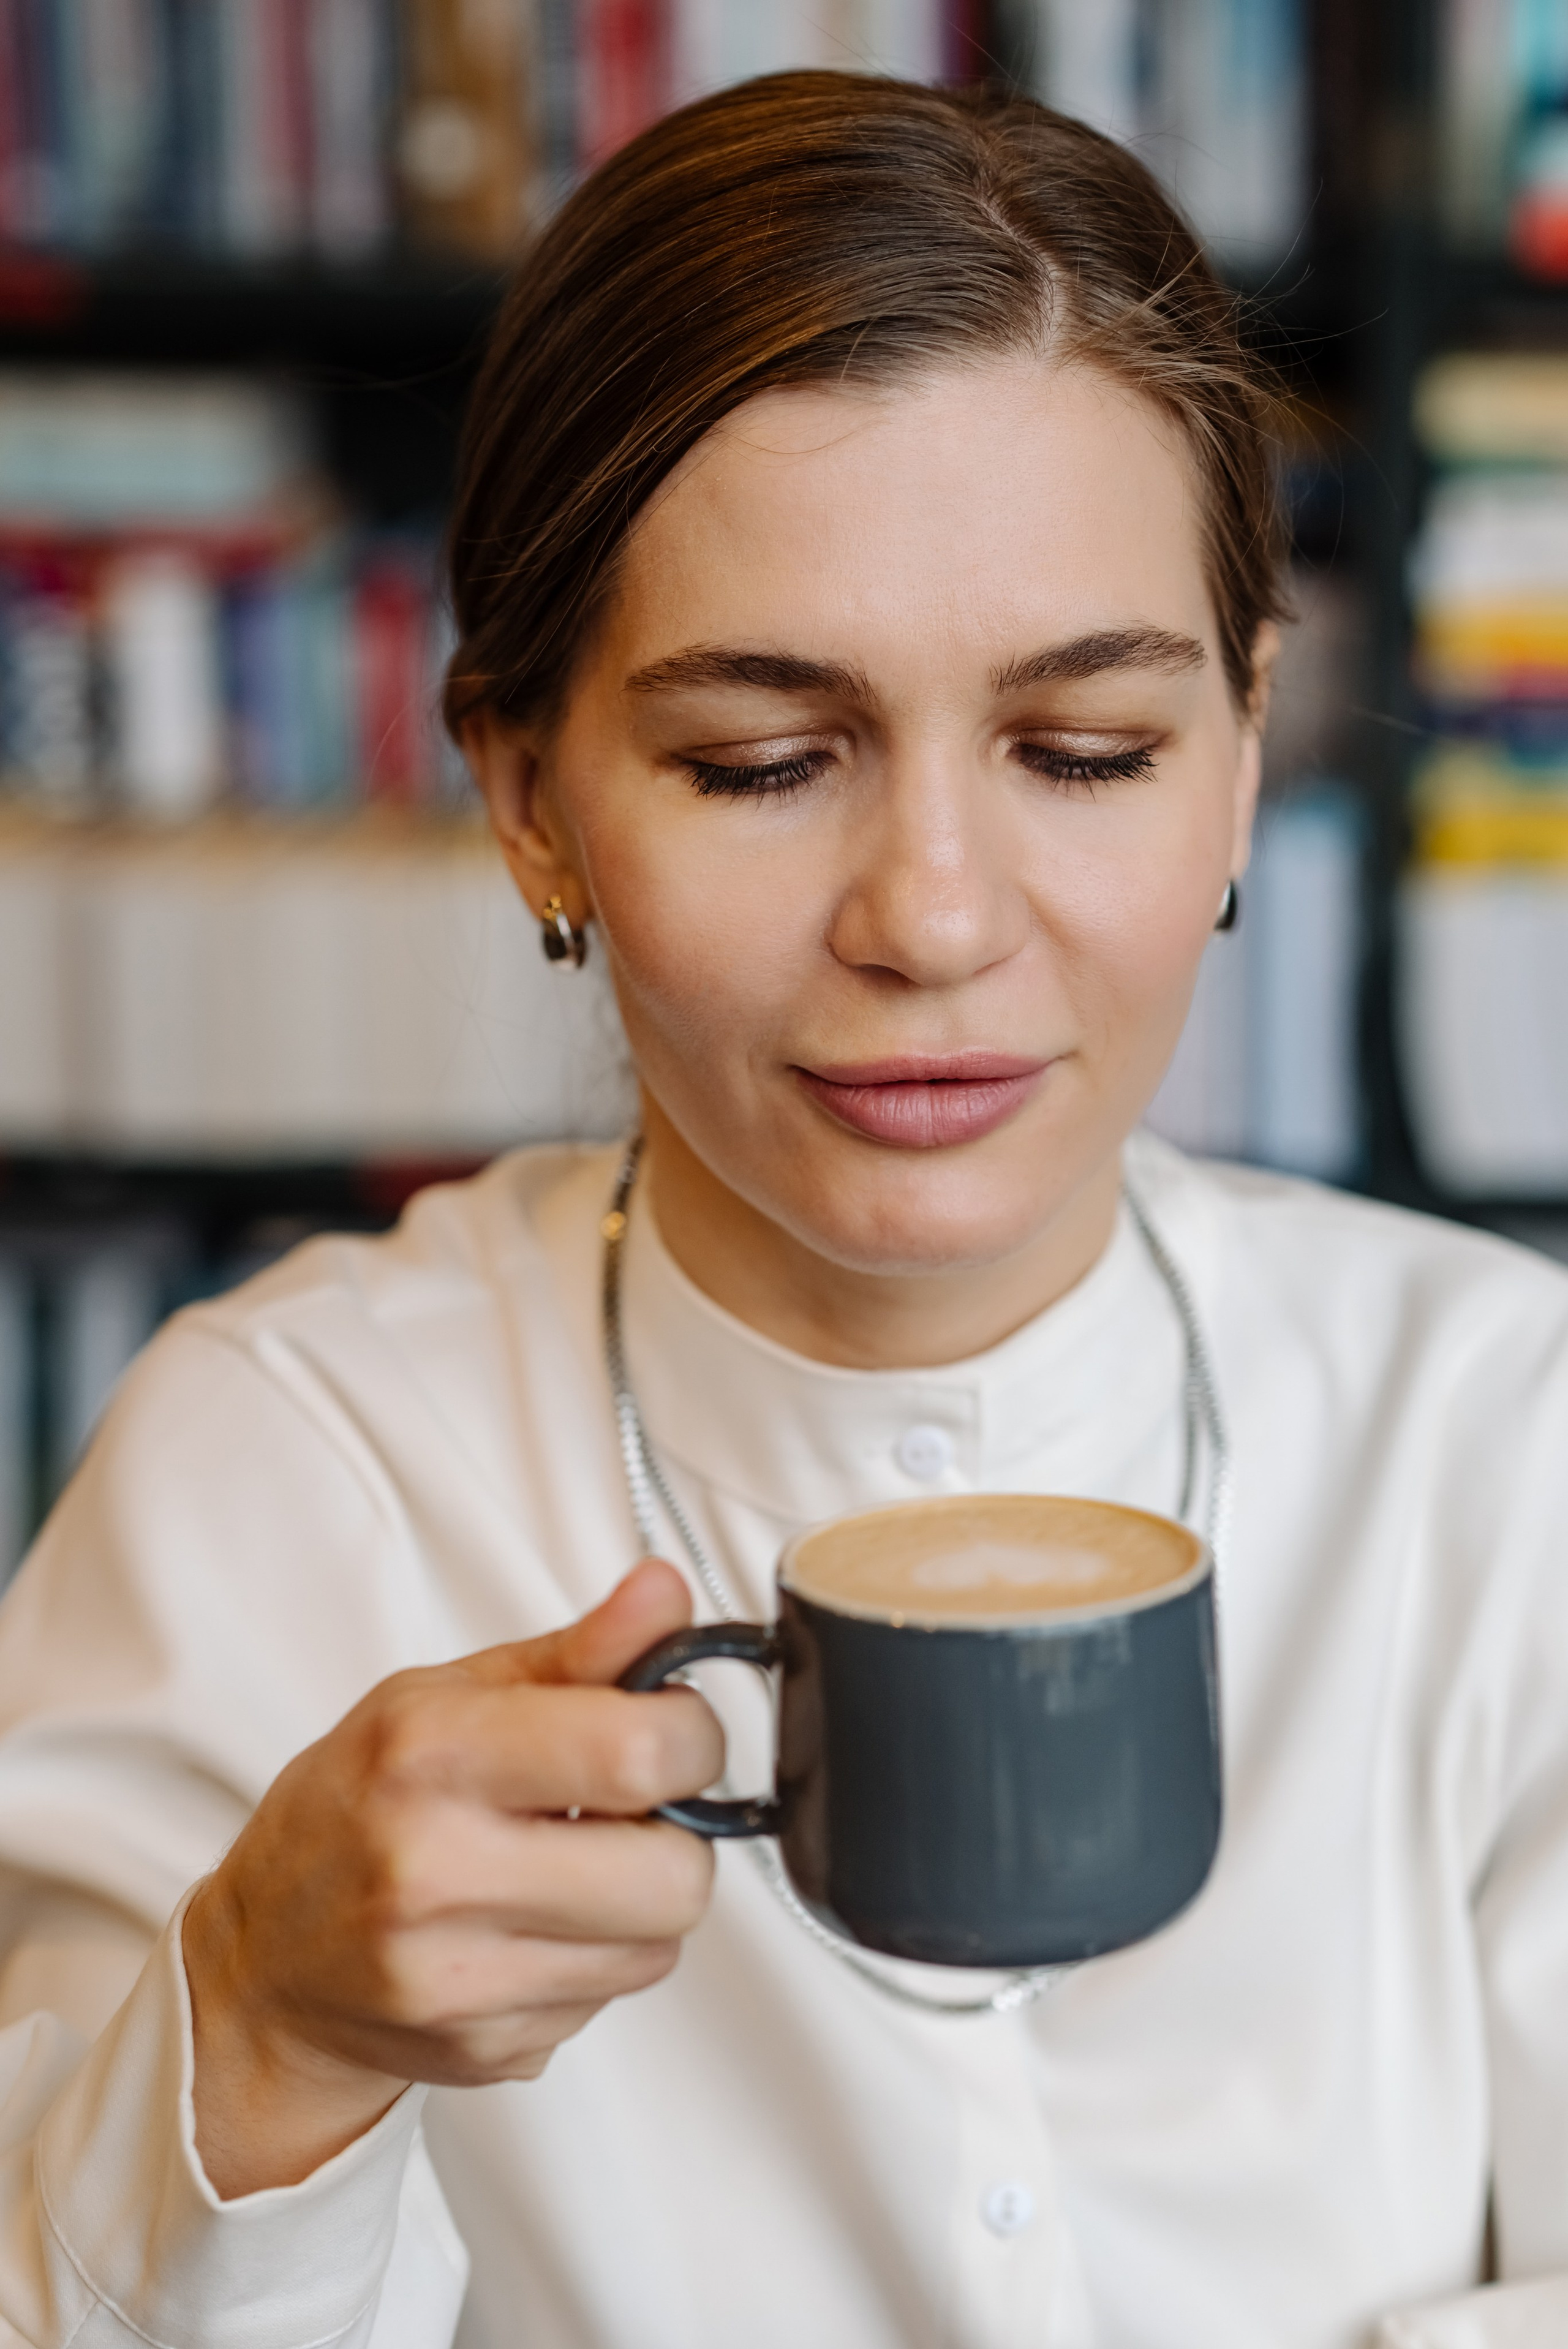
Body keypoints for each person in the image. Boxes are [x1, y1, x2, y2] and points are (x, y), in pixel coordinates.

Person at [0, 69, 1564, 2349]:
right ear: (531, 800)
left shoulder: (1504, 1442)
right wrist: (264, 2034)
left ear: (1244, 753)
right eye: (762, 761)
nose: (934, 917)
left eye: (1085, 752)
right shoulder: (277, 1469)